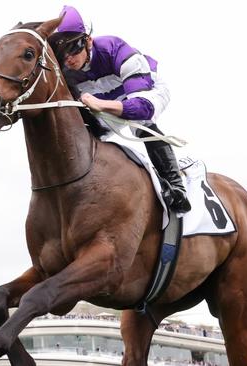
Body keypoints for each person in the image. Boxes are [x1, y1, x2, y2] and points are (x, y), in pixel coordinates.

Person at [49, 5, 191, 214]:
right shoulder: (66, 69)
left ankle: (177, 187)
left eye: (74, 47)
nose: (69, 58)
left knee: (141, 125)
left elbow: (143, 108)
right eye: (63, 52)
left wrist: (101, 105)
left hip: (145, 91)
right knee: (83, 134)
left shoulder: (117, 49)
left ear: (88, 41)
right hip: (104, 99)